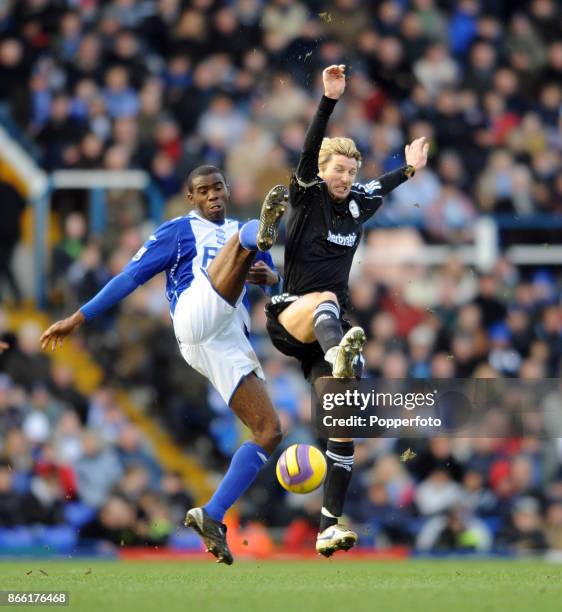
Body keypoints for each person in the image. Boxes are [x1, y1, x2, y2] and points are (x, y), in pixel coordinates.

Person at [40, 166, 288, 565]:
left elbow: (271, 283)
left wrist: (270, 275)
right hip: (193, 314)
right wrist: (79, 317)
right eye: (203, 191)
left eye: (218, 188)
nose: (213, 196)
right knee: (244, 239)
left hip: (227, 337)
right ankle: (262, 225)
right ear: (191, 198)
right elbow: (129, 277)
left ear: (226, 189)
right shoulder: (178, 230)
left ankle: (212, 514)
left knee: (269, 431)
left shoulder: (238, 232)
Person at [265, 65, 429, 557]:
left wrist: (410, 168)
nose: (346, 176)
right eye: (338, 169)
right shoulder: (307, 193)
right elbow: (308, 148)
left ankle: (328, 526)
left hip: (326, 331)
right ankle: (340, 354)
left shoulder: (359, 203)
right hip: (293, 315)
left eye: (351, 170)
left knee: (343, 423)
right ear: (322, 170)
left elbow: (384, 185)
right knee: (328, 302)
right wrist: (328, 101)